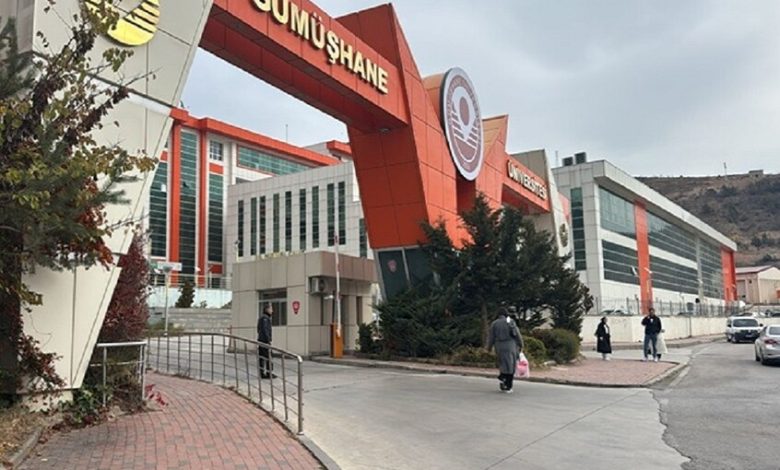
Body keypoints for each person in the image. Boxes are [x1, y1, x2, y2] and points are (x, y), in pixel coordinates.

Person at [487, 307, 523, 393]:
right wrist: (521, 344)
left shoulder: (494, 323)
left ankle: (502, 378)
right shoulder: (510, 321)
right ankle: (508, 385)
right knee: (511, 366)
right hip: (510, 345)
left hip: (499, 346)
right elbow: (517, 334)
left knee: (502, 364)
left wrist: (489, 348)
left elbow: (491, 337)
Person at [257, 304, 273, 378]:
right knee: (268, 357)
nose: (272, 311)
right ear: (267, 309)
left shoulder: (262, 318)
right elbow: (265, 329)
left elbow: (258, 329)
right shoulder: (265, 318)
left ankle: (262, 373)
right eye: (271, 309)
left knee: (262, 357)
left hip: (261, 340)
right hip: (264, 341)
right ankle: (268, 373)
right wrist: (268, 340)